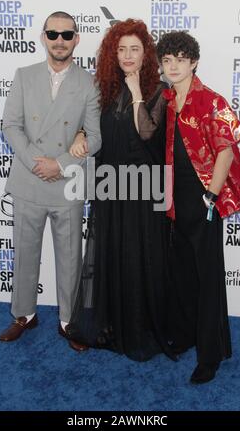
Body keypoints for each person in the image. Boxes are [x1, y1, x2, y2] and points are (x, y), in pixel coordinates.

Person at [146, 31, 240, 383]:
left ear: (193, 62)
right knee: (181, 271)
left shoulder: (211, 100)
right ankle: (186, 334)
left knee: (207, 276)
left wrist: (211, 194)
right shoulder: (165, 99)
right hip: (172, 198)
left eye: (180, 58)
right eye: (167, 60)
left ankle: (210, 355)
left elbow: (225, 150)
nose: (172, 65)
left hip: (203, 199)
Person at [66, 19, 177, 362]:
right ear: (113, 54)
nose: (128, 55)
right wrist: (82, 135)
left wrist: (136, 91)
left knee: (140, 255)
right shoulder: (105, 89)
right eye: (122, 49)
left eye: (135, 49)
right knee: (111, 252)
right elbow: (92, 130)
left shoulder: (160, 90)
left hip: (144, 188)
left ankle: (140, 326)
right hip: (110, 185)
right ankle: (109, 323)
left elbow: (146, 134)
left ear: (147, 55)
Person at [0, 11, 101, 350]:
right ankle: (23, 315)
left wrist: (60, 163)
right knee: (25, 253)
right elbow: (10, 125)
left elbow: (96, 137)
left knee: (70, 257)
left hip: (66, 182)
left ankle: (69, 321)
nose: (60, 40)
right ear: (43, 37)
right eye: (53, 34)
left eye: (66, 34)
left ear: (76, 39)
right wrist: (35, 163)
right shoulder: (24, 75)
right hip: (29, 179)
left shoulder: (89, 83)